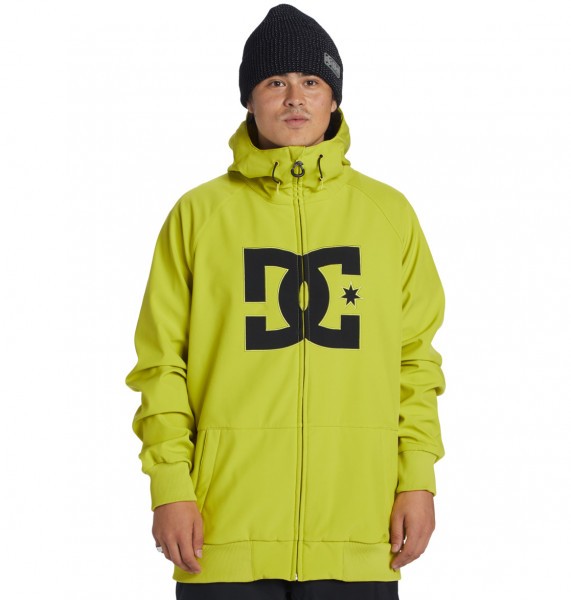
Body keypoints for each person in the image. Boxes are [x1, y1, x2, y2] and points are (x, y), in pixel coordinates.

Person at [125, 5, 446, 600]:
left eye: (311, 81)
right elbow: (161, 364)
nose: (295, 97)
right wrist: (169, 486)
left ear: (334, 99)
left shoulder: (388, 215)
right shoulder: (199, 215)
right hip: (222, 535)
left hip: (360, 533)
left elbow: (415, 362)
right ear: (249, 99)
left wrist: (418, 479)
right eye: (275, 81)